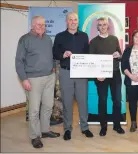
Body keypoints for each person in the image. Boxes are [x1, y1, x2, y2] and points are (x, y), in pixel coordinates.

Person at [15, 16, 60, 148]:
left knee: (48, 105)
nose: (42, 27)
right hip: (33, 79)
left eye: (44, 25)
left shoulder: (47, 39)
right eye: (39, 25)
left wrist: (52, 66)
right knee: (34, 109)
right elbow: (19, 61)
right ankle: (35, 136)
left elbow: (50, 55)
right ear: (32, 25)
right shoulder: (25, 40)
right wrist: (24, 79)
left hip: (49, 77)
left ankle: (45, 130)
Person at [53, 12, 93, 140]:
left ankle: (85, 127)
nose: (73, 22)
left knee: (83, 101)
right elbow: (54, 53)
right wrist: (63, 54)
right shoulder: (59, 36)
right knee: (67, 102)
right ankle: (67, 129)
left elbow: (88, 54)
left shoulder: (84, 36)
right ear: (67, 21)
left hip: (81, 73)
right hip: (66, 72)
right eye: (70, 19)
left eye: (75, 20)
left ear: (78, 21)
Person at [89, 17, 125, 136]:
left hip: (115, 73)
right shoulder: (93, 42)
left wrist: (118, 55)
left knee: (117, 100)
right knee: (102, 100)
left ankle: (117, 125)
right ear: (97, 27)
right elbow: (91, 61)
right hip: (101, 75)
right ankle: (103, 126)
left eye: (105, 24)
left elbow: (120, 54)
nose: (103, 27)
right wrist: (96, 75)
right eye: (100, 25)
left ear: (108, 26)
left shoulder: (114, 39)